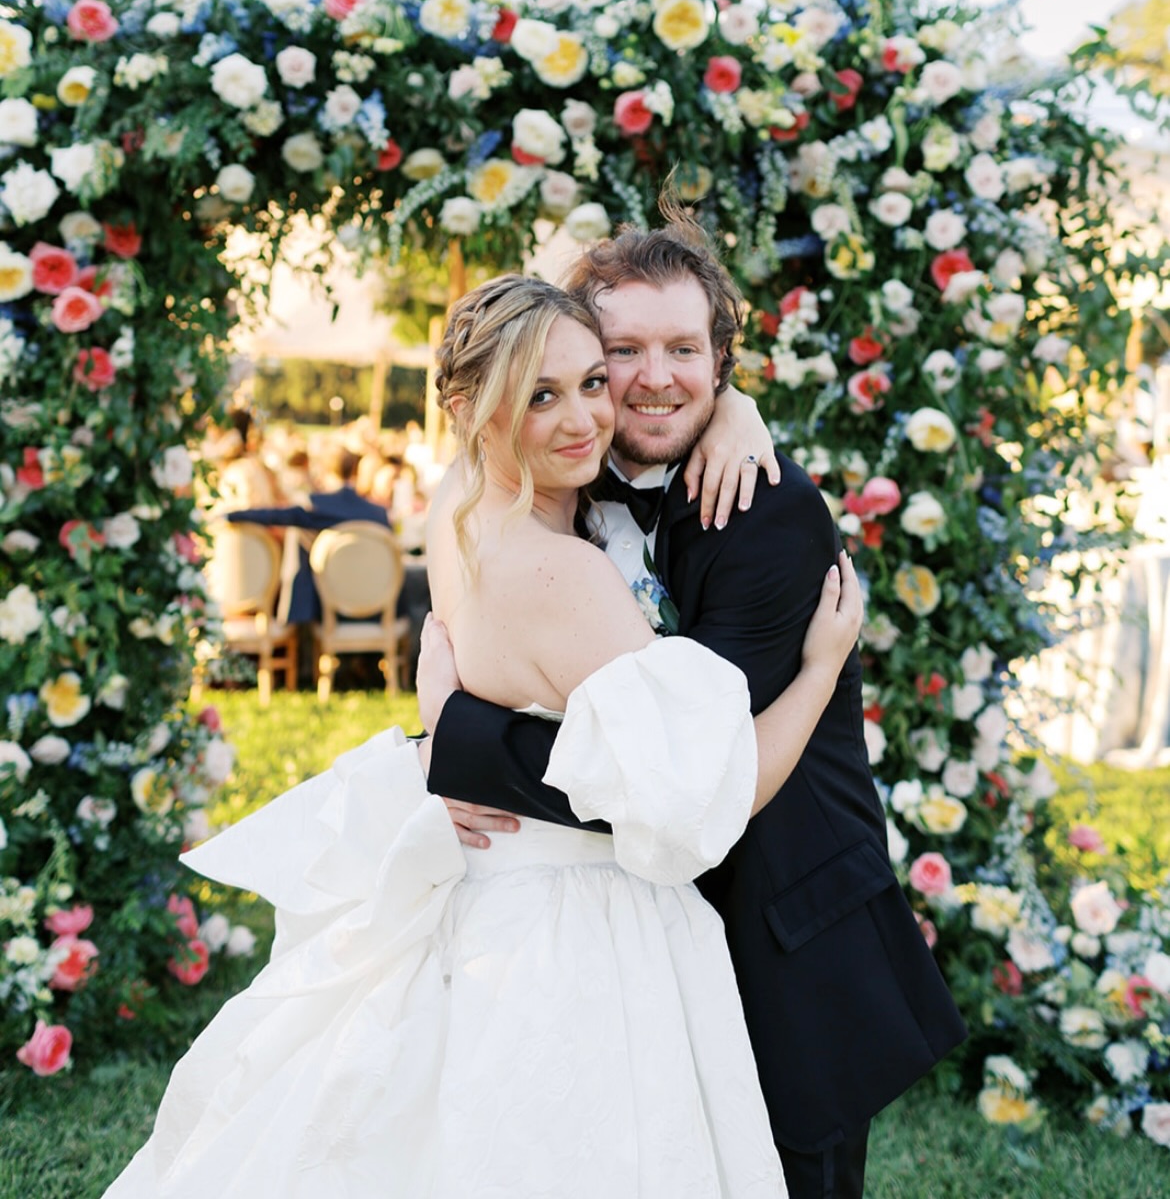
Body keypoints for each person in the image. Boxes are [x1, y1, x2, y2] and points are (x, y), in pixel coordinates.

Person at [103, 275, 861, 1198]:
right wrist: (821, 670)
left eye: (591, 381)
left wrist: (734, 408)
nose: (585, 417)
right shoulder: (566, 575)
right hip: (577, 922)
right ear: (472, 410)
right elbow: (709, 798)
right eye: (540, 397)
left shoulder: (459, 503)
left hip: (488, 887)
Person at [424, 215, 967, 1199]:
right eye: (622, 353)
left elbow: (680, 774)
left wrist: (460, 740)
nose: (654, 379)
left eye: (684, 350)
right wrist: (438, 690)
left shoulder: (770, 516)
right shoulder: (560, 476)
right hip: (632, 931)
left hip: (780, 924)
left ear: (723, 360)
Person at [221, 444, 391, 623]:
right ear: (356, 471)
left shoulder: (318, 506)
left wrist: (229, 515)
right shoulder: (378, 513)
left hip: (328, 613)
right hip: (375, 609)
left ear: (324, 471)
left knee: (300, 542)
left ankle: (298, 621)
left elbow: (274, 515)